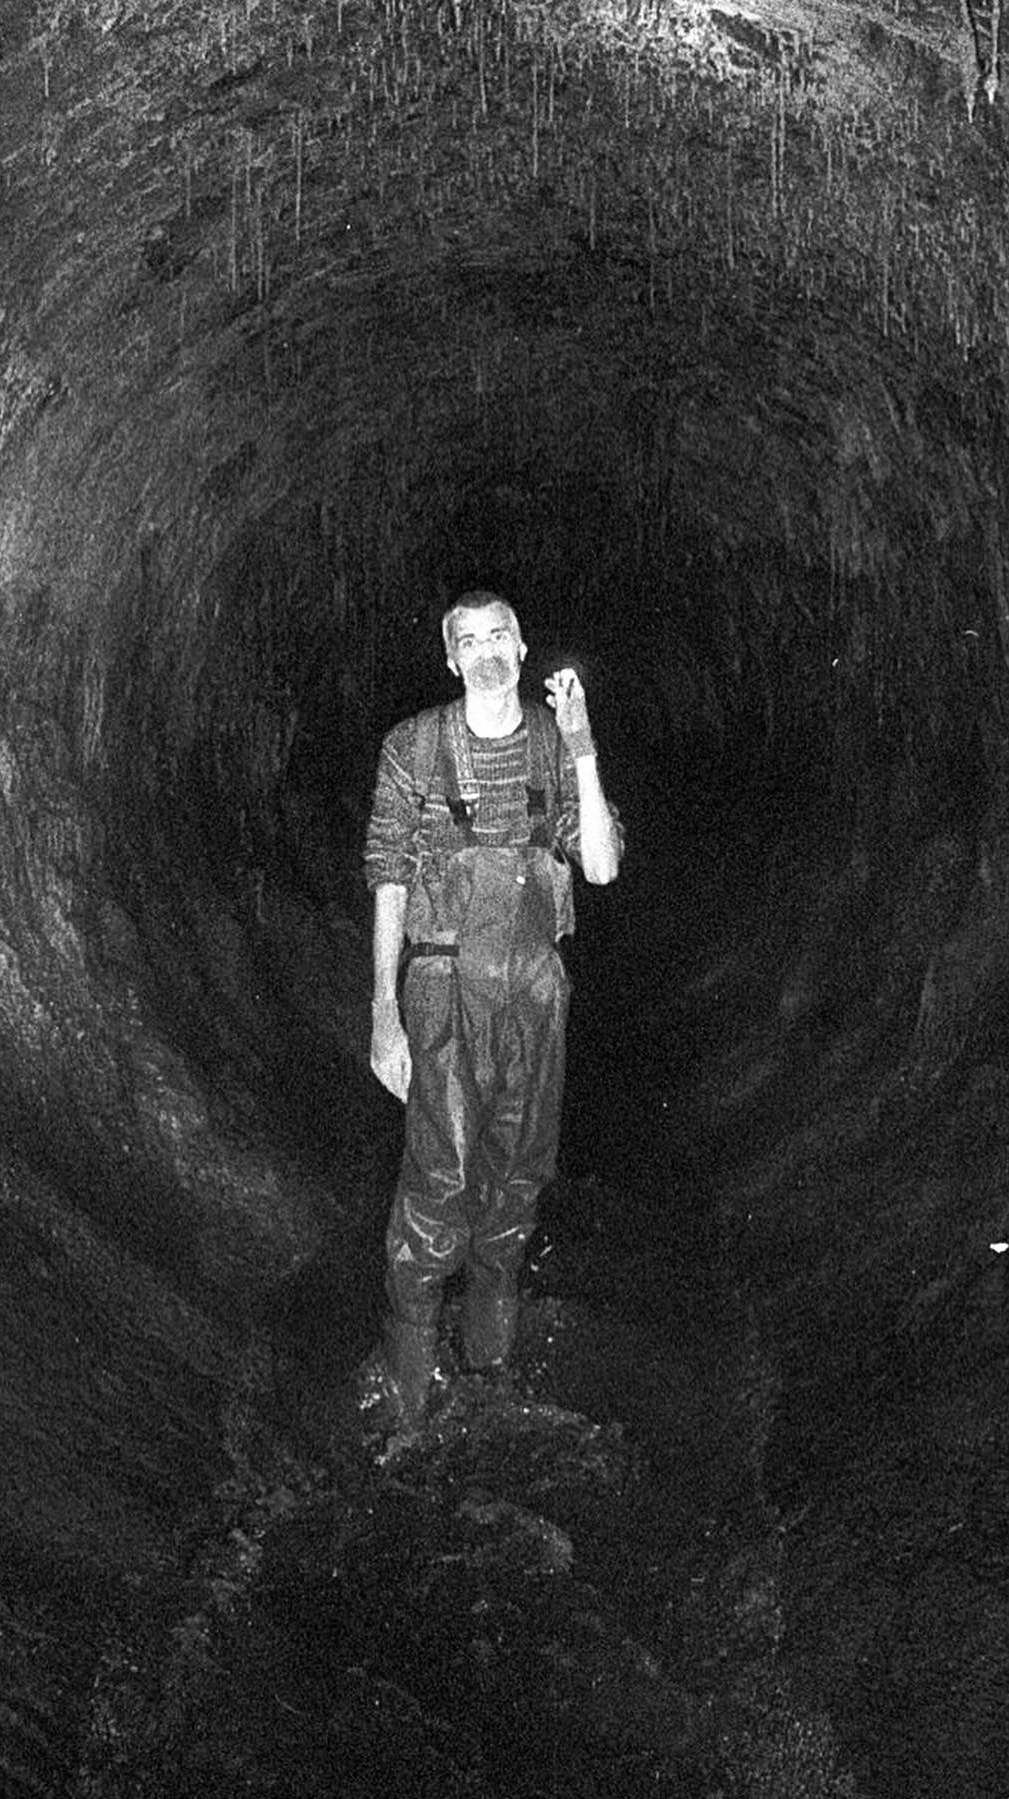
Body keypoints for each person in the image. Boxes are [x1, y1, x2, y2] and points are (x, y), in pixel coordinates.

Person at [363, 591, 622, 1432]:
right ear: (449, 658)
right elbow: (389, 876)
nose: (485, 652)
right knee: (439, 1187)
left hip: (534, 990)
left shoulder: (554, 747)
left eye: (499, 636)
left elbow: (604, 870)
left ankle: (489, 1376)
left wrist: (582, 747)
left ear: (521, 646)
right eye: (467, 640)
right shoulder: (414, 747)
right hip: (442, 985)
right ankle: (405, 1401)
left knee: (516, 1183)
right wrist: (382, 1015)